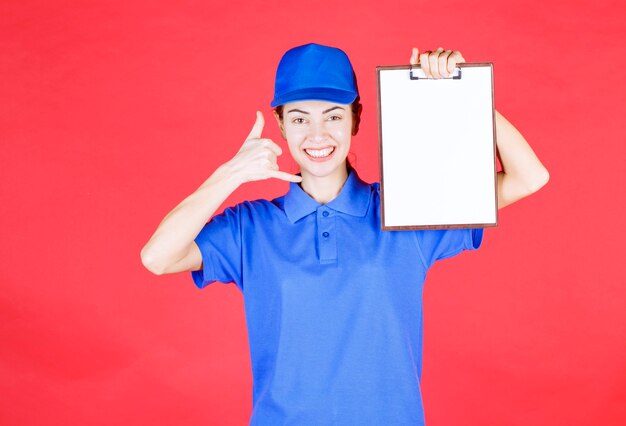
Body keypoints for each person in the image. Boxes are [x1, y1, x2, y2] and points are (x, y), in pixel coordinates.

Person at [141, 43, 549, 425]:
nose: (317, 134)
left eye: (333, 115)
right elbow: (157, 258)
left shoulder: (406, 210)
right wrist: (230, 174)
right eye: (300, 118)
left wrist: (463, 94)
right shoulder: (250, 227)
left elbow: (529, 177)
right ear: (281, 125)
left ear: (356, 118)